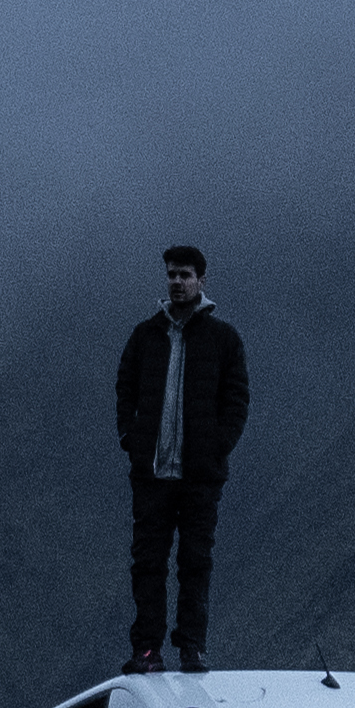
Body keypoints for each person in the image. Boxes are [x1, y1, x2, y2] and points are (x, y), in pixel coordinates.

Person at [115, 244, 247, 670]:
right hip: (152, 473)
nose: (176, 281)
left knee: (195, 562)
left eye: (185, 275)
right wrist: (129, 437)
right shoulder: (145, 334)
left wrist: (216, 446)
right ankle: (147, 650)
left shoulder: (223, 339)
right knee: (148, 563)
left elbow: (237, 400)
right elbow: (125, 388)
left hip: (199, 477)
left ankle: (192, 647)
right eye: (171, 274)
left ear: (201, 280)